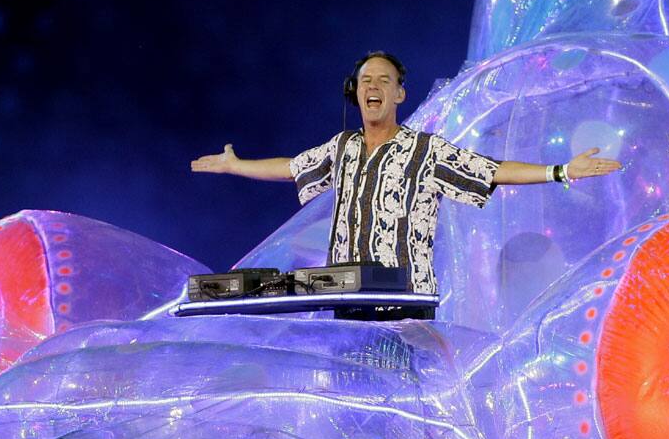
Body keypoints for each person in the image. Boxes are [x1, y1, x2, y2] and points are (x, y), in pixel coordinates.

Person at [191, 51, 621, 319]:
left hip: (405, 305)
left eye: (383, 81)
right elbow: (291, 167)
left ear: (399, 94)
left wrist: (561, 171)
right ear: (354, 94)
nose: (372, 86)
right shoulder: (342, 147)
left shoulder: (425, 150)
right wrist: (236, 165)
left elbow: (489, 169)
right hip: (347, 301)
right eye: (365, 81)